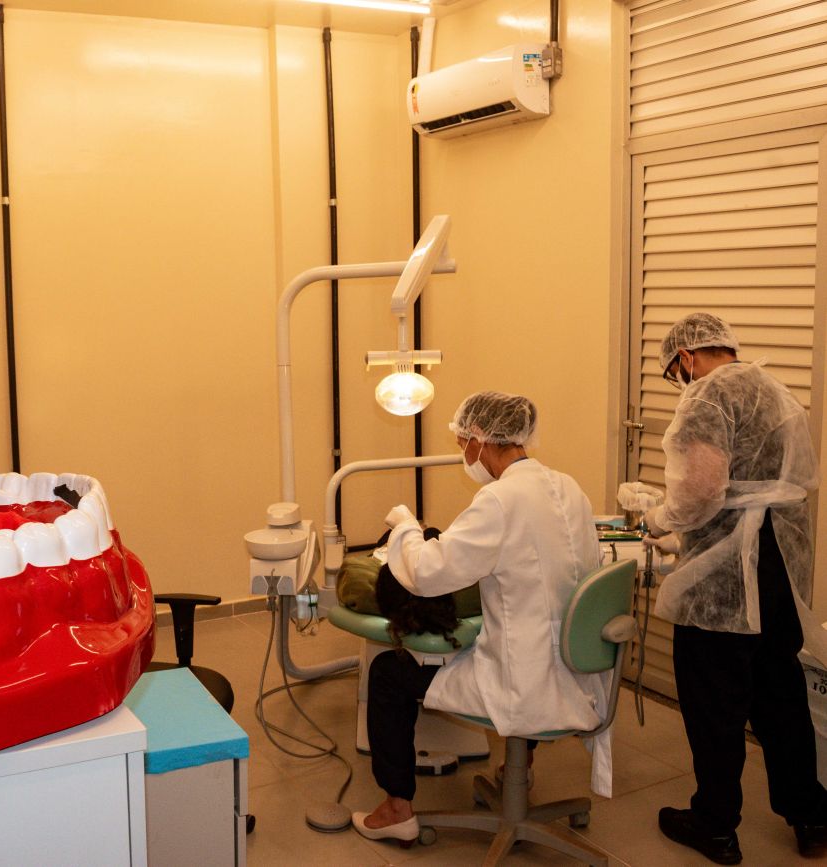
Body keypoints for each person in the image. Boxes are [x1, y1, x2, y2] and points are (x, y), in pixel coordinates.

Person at [352, 391, 607, 845]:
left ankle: (396, 810)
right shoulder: (568, 487)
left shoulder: (500, 500)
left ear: (479, 439)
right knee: (505, 638)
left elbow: (426, 573)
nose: (463, 454)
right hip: (575, 672)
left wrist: (406, 526)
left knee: (388, 672)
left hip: (523, 684)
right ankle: (519, 767)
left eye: (461, 443)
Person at [643, 312, 827, 864]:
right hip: (777, 564)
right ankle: (812, 816)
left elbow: (702, 487)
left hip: (726, 575)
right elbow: (773, 484)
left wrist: (661, 519)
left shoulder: (707, 395)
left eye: (675, 372)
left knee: (713, 703)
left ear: (686, 357)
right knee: (780, 695)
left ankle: (715, 824)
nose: (680, 381)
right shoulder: (774, 390)